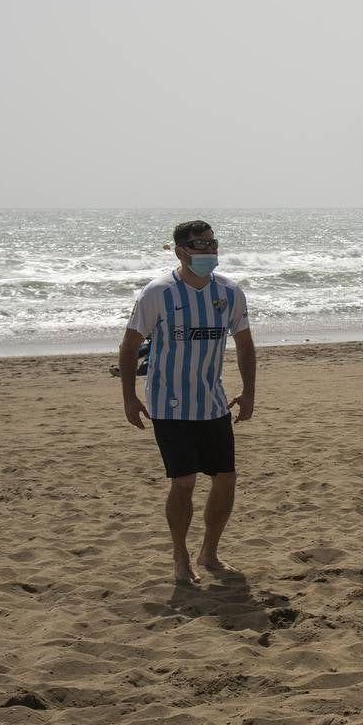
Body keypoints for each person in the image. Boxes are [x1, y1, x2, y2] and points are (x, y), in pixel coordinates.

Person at [119, 220, 255, 584]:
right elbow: (130, 345)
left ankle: (209, 552)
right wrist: (130, 397)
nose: (209, 251)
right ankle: (180, 556)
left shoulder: (229, 292)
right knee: (184, 482)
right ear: (181, 251)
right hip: (170, 405)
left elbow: (244, 343)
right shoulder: (158, 292)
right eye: (200, 245)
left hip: (213, 404)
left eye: (213, 244)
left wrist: (250, 391)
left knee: (226, 479)